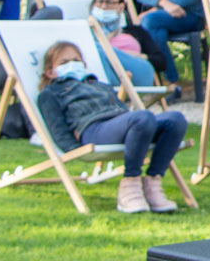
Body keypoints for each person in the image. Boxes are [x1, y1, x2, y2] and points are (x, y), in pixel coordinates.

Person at [34, 40, 186, 213]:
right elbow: (58, 128)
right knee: (142, 117)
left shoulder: (101, 85)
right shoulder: (51, 93)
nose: (72, 65)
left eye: (76, 60)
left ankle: (152, 182)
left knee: (175, 119)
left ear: (83, 65)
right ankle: (130, 183)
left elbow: (123, 112)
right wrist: (75, 150)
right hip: (93, 130)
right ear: (50, 72)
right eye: (63, 63)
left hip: (119, 125)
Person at [88, 0, 165, 88]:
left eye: (109, 2)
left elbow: (161, 62)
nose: (104, 6)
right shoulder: (87, 31)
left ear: (121, 7)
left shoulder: (135, 31)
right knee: (94, 52)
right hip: (108, 78)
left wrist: (138, 56)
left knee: (95, 50)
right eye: (100, 1)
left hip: (137, 73)